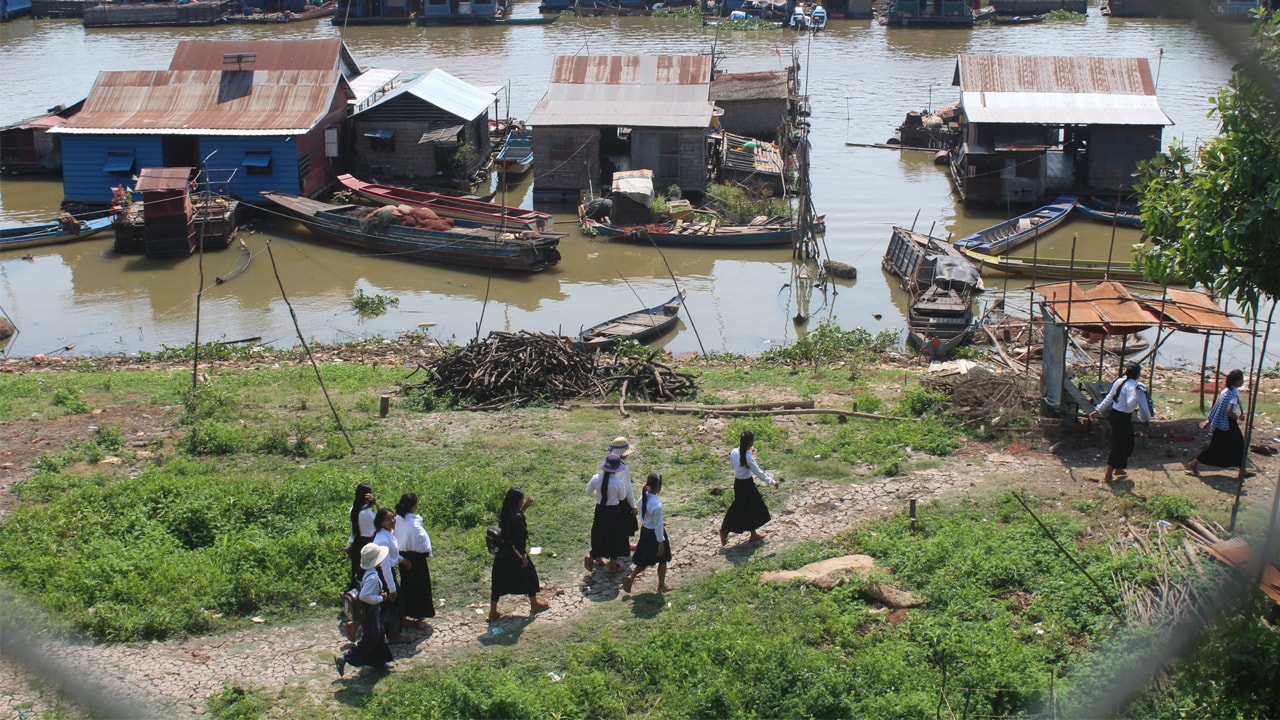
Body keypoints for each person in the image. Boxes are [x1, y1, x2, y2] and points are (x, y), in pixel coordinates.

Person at [489, 488, 550, 622]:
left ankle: (492, 612)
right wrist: (522, 556)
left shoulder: (505, 513)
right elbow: (517, 539)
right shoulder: (517, 518)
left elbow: (515, 519)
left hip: (502, 554)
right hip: (514, 554)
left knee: (498, 582)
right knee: (529, 575)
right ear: (517, 501)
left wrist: (525, 507)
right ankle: (534, 604)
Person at [335, 543, 394, 676]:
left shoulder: (362, 572)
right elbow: (364, 596)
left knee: (379, 635)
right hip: (370, 611)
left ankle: (380, 661)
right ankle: (346, 657)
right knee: (372, 637)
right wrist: (381, 598)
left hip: (370, 611)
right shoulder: (372, 577)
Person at [1089, 362, 1154, 483]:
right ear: (1138, 375)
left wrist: (1097, 410)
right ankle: (1108, 474)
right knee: (1118, 446)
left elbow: (1109, 397)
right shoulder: (1131, 386)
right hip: (1122, 418)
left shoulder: (1120, 381)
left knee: (1128, 443)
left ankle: (1118, 468)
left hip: (1116, 415)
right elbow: (1130, 402)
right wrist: (1136, 396)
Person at [1185, 369, 1254, 478]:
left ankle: (1242, 471)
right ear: (1237, 381)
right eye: (1241, 380)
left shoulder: (1225, 391)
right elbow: (1229, 411)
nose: (1242, 382)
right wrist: (1238, 417)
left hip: (1220, 422)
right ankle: (1194, 464)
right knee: (1239, 444)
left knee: (1217, 446)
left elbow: (1218, 406)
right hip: (1228, 423)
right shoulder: (1233, 394)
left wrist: (1210, 420)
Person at [720, 430, 777, 546]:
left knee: (749, 508)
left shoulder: (734, 452)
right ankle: (724, 529)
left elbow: (735, 464)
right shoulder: (747, 456)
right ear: (750, 442)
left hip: (738, 483)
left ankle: (753, 534)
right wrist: (772, 482)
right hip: (747, 484)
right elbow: (758, 472)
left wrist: (750, 454)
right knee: (746, 508)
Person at [622, 473, 673, 594]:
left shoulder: (642, 498)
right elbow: (658, 525)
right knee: (663, 559)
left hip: (645, 531)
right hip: (655, 534)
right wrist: (661, 542)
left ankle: (631, 577)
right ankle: (661, 585)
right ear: (658, 487)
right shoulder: (656, 505)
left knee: (644, 559)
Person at [585, 453, 634, 574]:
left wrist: (600, 493)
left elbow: (588, 492)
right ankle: (612, 565)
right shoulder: (617, 482)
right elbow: (622, 497)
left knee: (599, 533)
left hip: (600, 510)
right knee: (615, 537)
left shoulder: (596, 478)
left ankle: (593, 555)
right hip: (614, 511)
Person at [393, 493, 435, 625]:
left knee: (407, 585)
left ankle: (406, 612)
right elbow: (422, 545)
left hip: (402, 556)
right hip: (416, 558)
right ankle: (419, 612)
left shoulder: (397, 520)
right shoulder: (415, 525)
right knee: (420, 586)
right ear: (414, 506)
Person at [371, 508, 406, 640]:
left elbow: (393, 554)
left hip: (386, 572)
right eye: (388, 519)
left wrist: (402, 560)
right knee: (393, 603)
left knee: (391, 604)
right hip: (384, 574)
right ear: (381, 523)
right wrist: (392, 589)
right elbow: (385, 567)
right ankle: (393, 634)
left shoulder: (389, 533)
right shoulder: (382, 540)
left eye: (392, 517)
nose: (392, 520)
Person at [344, 483, 379, 589]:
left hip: (356, 543)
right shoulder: (366, 514)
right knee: (368, 570)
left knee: (356, 571)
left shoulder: (353, 509)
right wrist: (376, 503)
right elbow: (382, 518)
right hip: (367, 543)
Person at [608, 437, 641, 538]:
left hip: (609, 497)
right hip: (621, 499)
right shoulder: (623, 468)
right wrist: (633, 505)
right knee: (625, 524)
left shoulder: (609, 462)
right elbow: (627, 489)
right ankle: (624, 546)